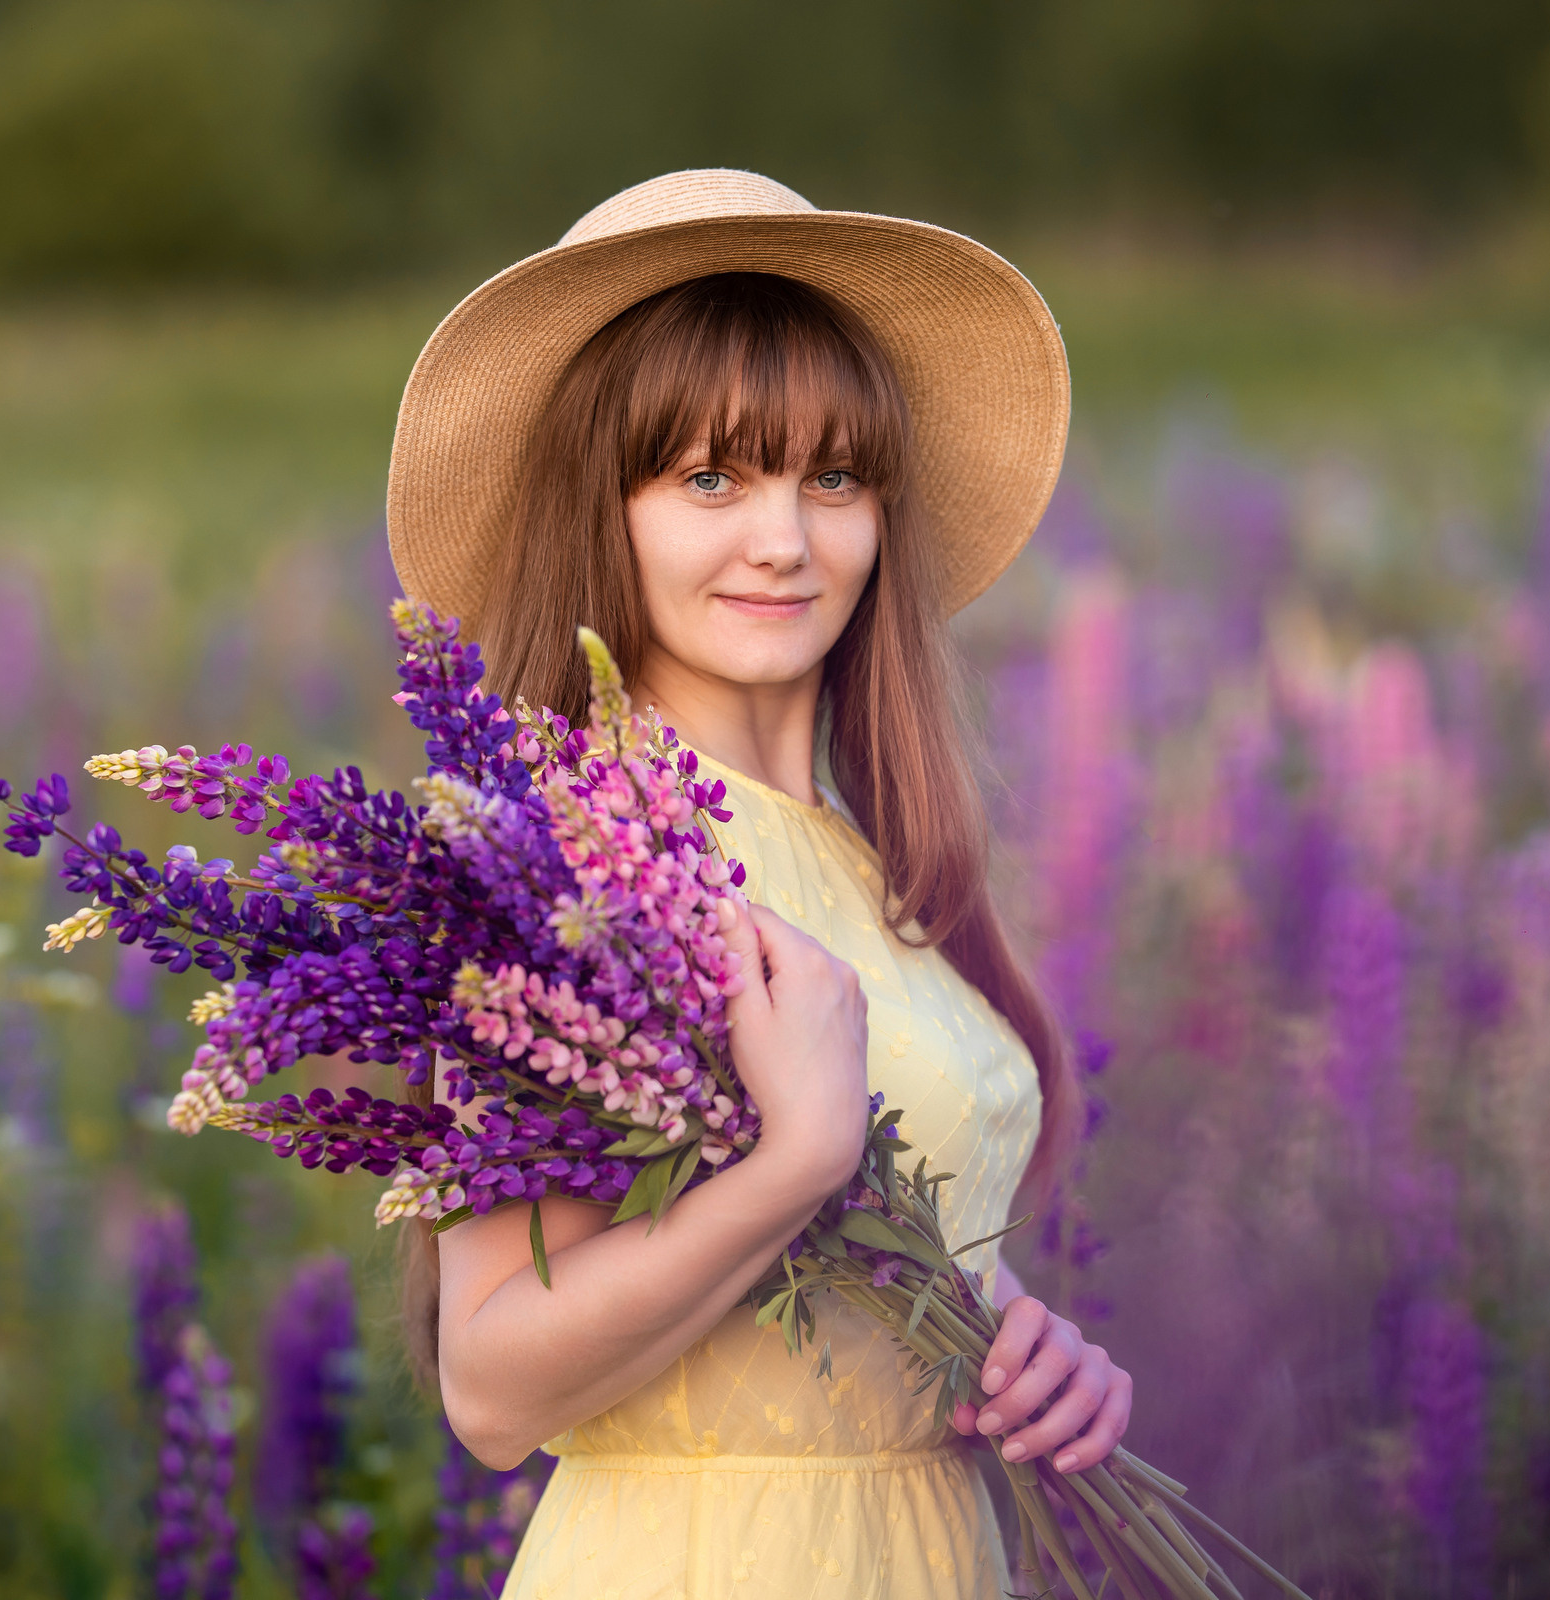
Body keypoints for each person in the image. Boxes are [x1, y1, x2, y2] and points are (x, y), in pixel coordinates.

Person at [386, 169, 1130, 1598]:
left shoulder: (872, 858)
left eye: (831, 478)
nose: (785, 540)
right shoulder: (563, 866)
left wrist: (1033, 1348)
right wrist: (796, 1162)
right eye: (709, 478)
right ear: (603, 511)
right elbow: (492, 1389)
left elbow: (898, 1246)